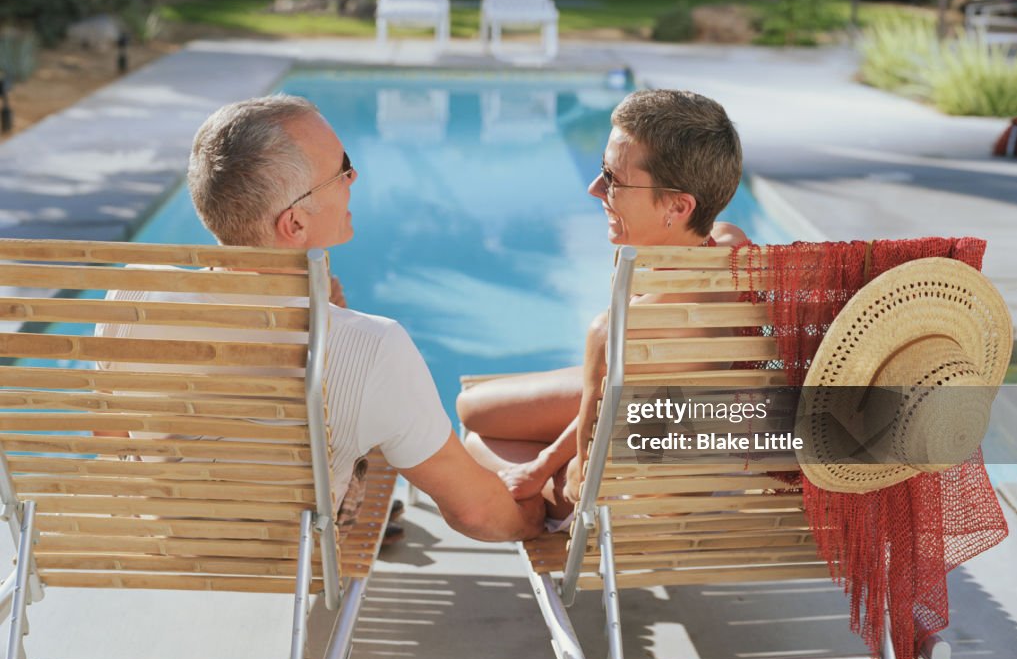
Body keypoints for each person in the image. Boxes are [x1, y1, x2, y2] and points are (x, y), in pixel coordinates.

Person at [96, 94, 545, 543]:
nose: (354, 176)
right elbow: (475, 513)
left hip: (170, 540)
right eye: (341, 169)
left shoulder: (132, 298)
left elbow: (112, 445)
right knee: (375, 404)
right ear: (294, 225)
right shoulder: (373, 347)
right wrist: (532, 522)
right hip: (294, 550)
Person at [457, 89, 748, 522]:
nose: (594, 189)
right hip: (712, 444)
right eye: (602, 170)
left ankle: (529, 508)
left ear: (678, 205)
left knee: (474, 434)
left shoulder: (617, 331)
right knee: (476, 409)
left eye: (613, 178)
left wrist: (546, 472)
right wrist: (545, 461)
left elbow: (583, 480)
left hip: (637, 500)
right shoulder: (735, 249)